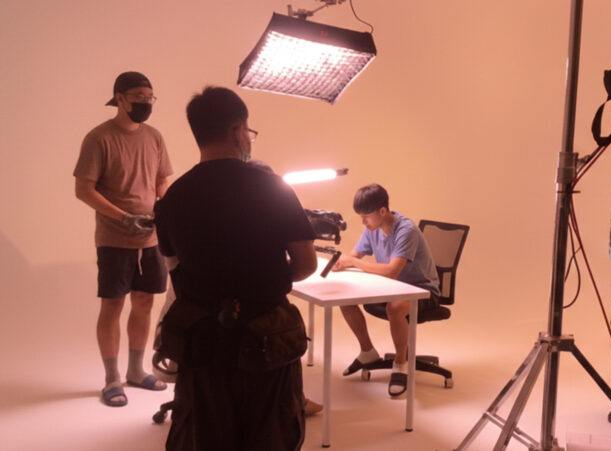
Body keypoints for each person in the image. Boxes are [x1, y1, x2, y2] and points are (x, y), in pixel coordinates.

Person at [154, 86, 317, 450]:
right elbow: (306, 263)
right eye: (248, 132)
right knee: (271, 437)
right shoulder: (273, 187)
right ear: (238, 131)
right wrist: (268, 279)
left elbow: (176, 271)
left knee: (206, 438)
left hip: (203, 345)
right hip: (268, 341)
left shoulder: (173, 198)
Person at [73, 71, 172, 407]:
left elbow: (162, 180)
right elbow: (83, 189)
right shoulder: (99, 138)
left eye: (150, 98)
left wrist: (161, 208)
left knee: (144, 302)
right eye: (139, 97)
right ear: (119, 99)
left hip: (151, 239)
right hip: (114, 239)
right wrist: (124, 218)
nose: (145, 103)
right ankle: (112, 378)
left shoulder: (154, 137)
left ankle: (136, 371)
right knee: (113, 305)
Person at [333, 184, 440, 397]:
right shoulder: (372, 229)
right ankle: (367, 352)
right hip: (393, 288)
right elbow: (353, 256)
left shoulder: (406, 230)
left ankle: (400, 363)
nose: (363, 222)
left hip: (422, 290)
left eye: (366, 217)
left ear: (382, 211)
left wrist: (354, 262)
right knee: (344, 298)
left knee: (395, 307)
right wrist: (342, 262)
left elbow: (391, 271)